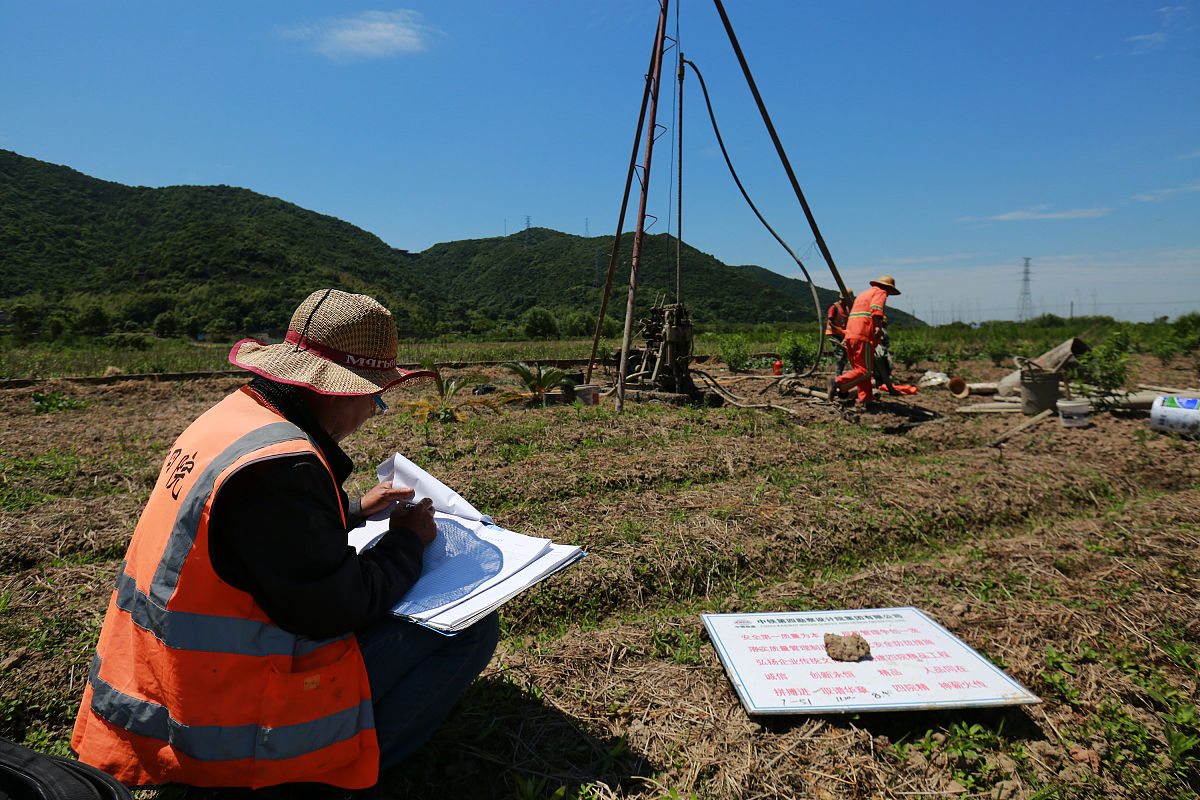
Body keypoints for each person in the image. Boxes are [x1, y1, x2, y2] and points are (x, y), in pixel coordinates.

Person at [71, 289, 500, 797]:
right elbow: (338, 606)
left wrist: (351, 511)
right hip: (221, 714)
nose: (374, 412)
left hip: (167, 680)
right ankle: (322, 779)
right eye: (376, 397)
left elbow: (257, 535)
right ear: (337, 391)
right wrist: (406, 542)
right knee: (472, 629)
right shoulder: (285, 468)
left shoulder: (236, 419)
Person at [829, 275, 901, 404]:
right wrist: (878, 327)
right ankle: (838, 382)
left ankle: (866, 399)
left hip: (851, 335)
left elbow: (853, 316)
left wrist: (847, 336)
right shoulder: (881, 293)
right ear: (888, 288)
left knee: (860, 370)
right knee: (865, 371)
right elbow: (876, 309)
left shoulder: (863, 295)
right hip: (863, 335)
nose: (889, 295)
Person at [824, 289, 854, 375]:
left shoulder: (847, 309)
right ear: (843, 298)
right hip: (834, 334)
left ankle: (840, 374)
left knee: (845, 354)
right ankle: (838, 376)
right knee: (840, 353)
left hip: (842, 335)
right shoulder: (834, 307)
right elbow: (830, 321)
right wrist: (838, 330)